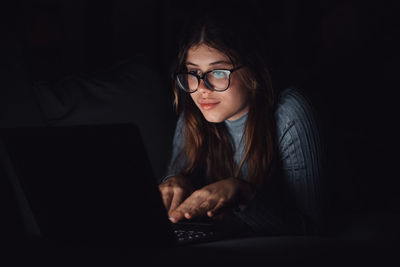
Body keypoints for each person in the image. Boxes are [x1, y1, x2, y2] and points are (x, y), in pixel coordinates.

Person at [158, 10, 325, 236]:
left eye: (217, 72)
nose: (202, 88)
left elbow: (313, 228)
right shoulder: (194, 115)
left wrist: (243, 194)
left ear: (254, 71)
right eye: (193, 72)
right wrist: (174, 182)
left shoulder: (289, 113)